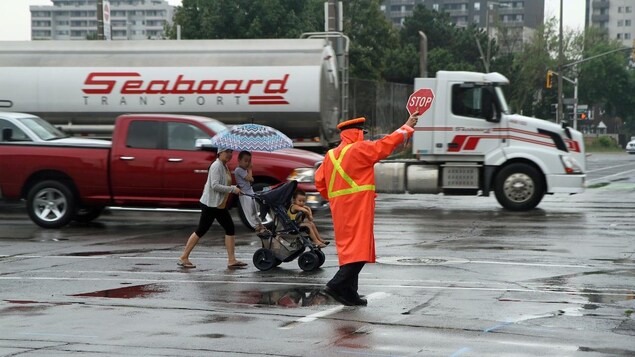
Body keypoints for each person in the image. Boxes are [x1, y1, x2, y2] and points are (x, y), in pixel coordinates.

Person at [314, 112, 419, 306]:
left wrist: (336, 197)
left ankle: (349, 293)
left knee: (348, 248)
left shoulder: (330, 155)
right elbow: (385, 145)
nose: (364, 135)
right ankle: (337, 285)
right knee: (360, 247)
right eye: (362, 132)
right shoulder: (359, 149)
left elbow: (320, 182)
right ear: (356, 133)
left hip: (339, 208)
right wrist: (407, 126)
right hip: (358, 205)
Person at [178, 147, 248, 269]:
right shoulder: (216, 166)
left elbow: (223, 183)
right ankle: (184, 257)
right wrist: (233, 189)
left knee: (229, 227)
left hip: (219, 204)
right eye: (227, 152)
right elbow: (215, 185)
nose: (230, 154)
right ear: (219, 153)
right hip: (210, 204)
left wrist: (236, 187)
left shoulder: (224, 165)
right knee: (202, 230)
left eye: (231, 152)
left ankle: (232, 259)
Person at [234, 150, 268, 234]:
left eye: (249, 161)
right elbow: (250, 179)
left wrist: (249, 171)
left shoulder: (244, 170)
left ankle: (260, 225)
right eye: (245, 161)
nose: (247, 163)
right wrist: (250, 169)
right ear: (239, 160)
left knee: (254, 210)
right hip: (244, 194)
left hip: (250, 192)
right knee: (249, 211)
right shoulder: (238, 170)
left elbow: (251, 179)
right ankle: (256, 226)